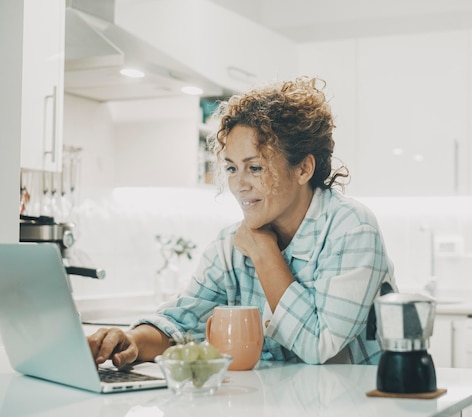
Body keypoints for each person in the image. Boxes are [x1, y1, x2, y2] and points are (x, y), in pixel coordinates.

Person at [88, 76, 396, 366]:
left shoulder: (351, 228)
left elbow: (321, 345)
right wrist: (130, 340)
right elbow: (180, 323)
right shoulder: (230, 245)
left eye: (256, 168)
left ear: (303, 169)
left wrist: (264, 254)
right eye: (232, 168)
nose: (239, 185)